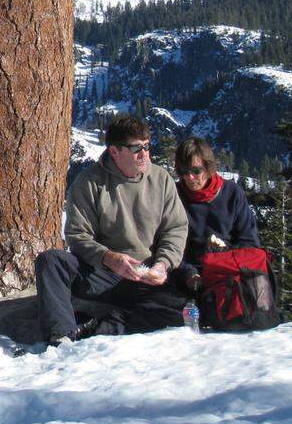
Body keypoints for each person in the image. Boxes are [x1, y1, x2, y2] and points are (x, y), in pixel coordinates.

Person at [35, 115, 189, 345]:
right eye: (136, 148)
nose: (144, 154)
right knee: (51, 261)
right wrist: (108, 258)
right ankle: (61, 335)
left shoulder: (160, 179)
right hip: (103, 272)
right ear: (115, 152)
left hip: (145, 273)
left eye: (147, 147)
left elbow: (175, 228)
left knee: (176, 313)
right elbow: (77, 235)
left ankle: (96, 328)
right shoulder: (90, 182)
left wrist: (163, 263)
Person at [173, 136, 262, 293]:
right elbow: (167, 243)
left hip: (228, 274)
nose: (190, 177)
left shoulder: (232, 193)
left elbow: (250, 242)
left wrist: (225, 257)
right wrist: (188, 273)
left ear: (208, 167)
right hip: (186, 276)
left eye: (196, 170)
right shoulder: (174, 195)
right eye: (184, 171)